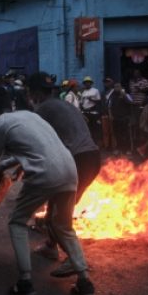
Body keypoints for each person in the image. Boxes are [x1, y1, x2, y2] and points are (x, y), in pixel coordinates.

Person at [0, 87, 94, 295]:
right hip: (69, 169)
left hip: (46, 173)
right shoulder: (28, 116)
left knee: (17, 221)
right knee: (63, 226)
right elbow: (35, 149)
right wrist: (5, 166)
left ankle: (25, 281)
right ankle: (84, 280)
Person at [26, 72, 101, 280]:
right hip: (92, 158)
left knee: (58, 216)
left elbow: (35, 143)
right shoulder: (64, 104)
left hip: (77, 161)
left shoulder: (43, 109)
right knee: (56, 205)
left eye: (30, 93)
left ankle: (73, 260)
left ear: (35, 92)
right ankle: (51, 245)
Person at [109, 83, 134, 154]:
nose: (116, 88)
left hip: (125, 118)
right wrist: (111, 115)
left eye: (118, 86)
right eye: (115, 87)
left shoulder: (127, 95)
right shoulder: (112, 96)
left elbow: (131, 102)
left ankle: (128, 149)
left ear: (121, 87)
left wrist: (124, 95)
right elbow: (109, 106)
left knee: (126, 134)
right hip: (116, 118)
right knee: (117, 134)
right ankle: (119, 148)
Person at [79, 76, 101, 142]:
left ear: (91, 83)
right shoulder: (82, 92)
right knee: (86, 129)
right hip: (85, 113)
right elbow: (81, 102)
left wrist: (91, 99)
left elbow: (99, 101)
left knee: (94, 129)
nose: (87, 84)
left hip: (93, 112)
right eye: (85, 83)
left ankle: (95, 143)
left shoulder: (95, 90)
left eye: (88, 82)